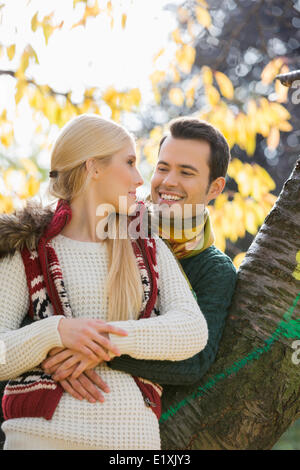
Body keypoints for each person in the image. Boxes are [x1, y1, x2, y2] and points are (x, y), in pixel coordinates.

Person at [0, 114, 208, 450]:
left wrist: (103, 343)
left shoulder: (146, 243)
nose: (140, 178)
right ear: (93, 167)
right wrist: (57, 332)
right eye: (128, 162)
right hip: (37, 441)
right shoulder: (28, 246)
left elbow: (192, 330)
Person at [41, 117, 237, 404]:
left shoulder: (214, 270)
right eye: (162, 168)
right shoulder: (108, 224)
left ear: (215, 188)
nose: (168, 182)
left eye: (186, 172)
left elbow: (195, 362)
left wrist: (94, 353)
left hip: (130, 416)